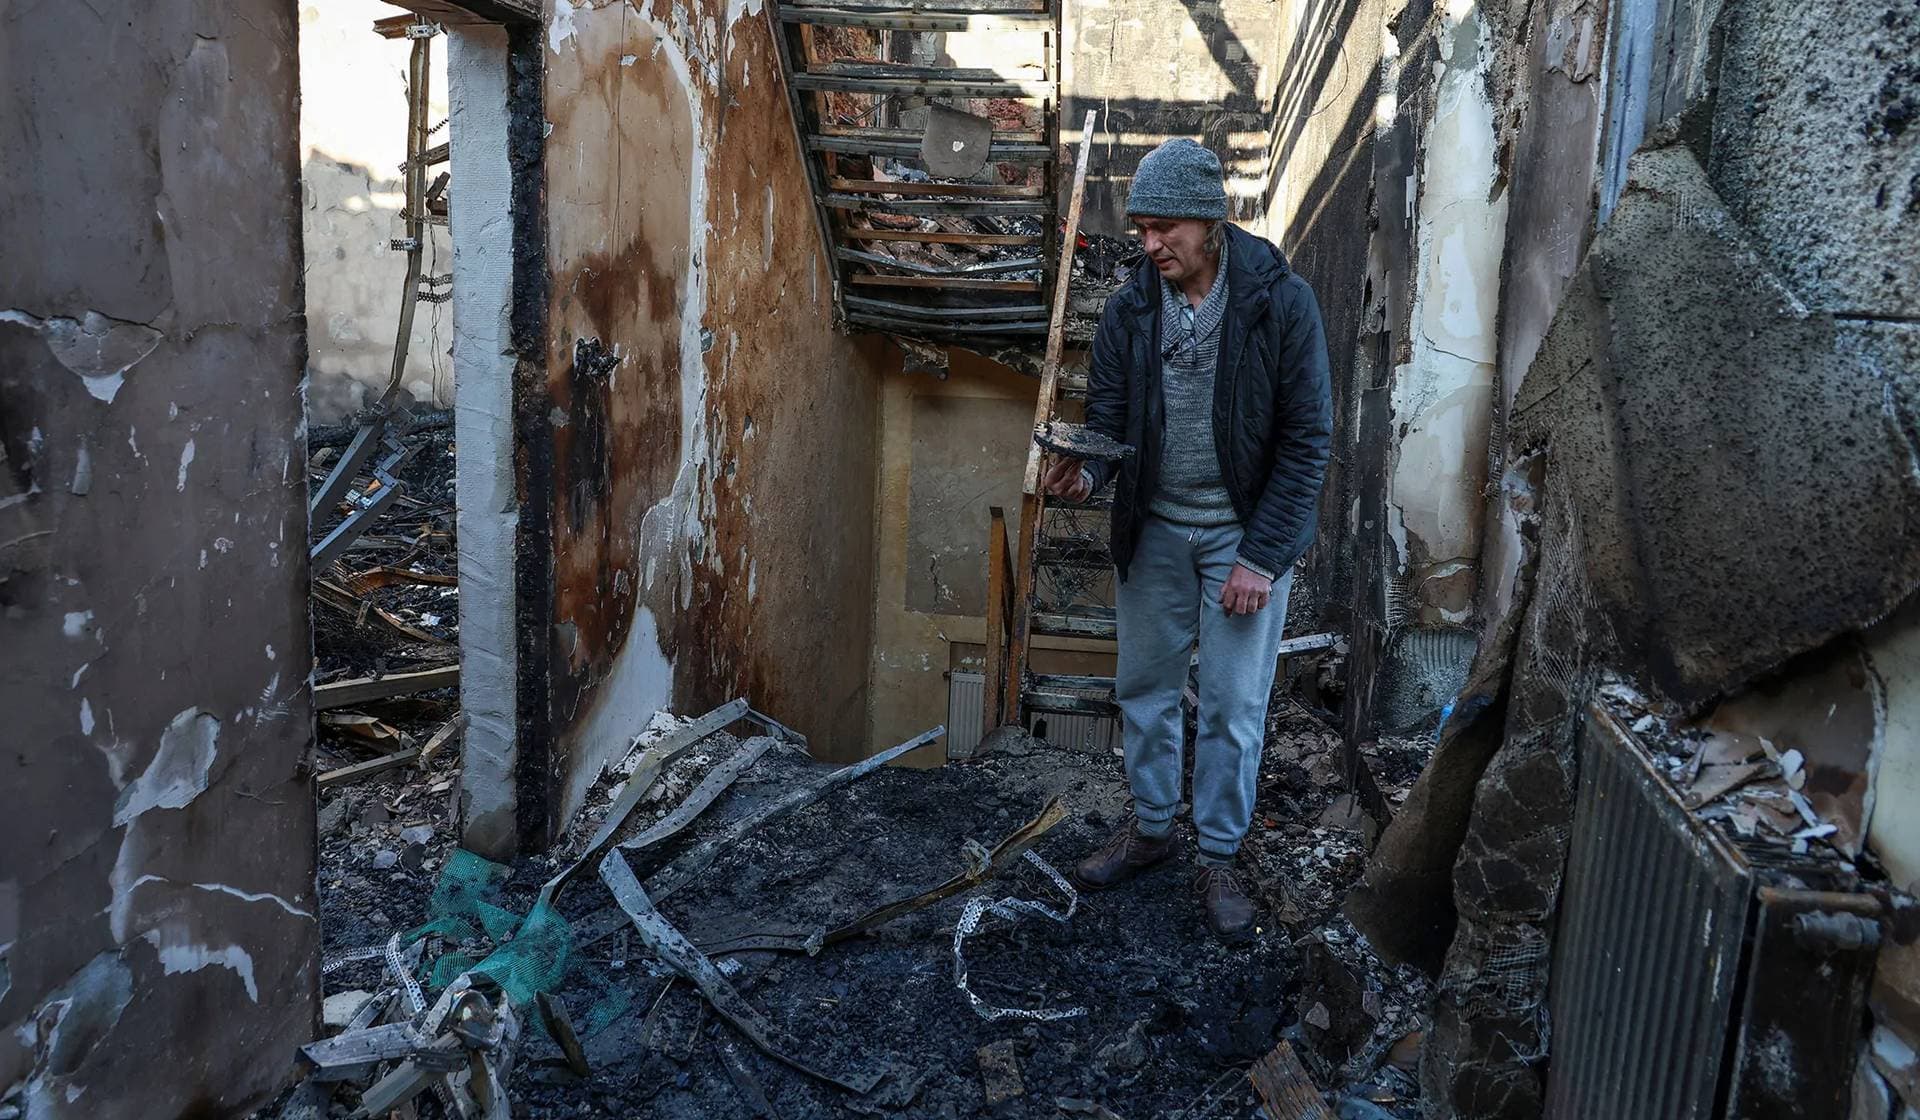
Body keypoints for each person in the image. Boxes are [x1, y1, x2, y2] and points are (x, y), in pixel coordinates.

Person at [1043, 138, 1332, 941]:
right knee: (1145, 691)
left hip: (1242, 535)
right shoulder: (1131, 309)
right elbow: (1107, 424)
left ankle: (1217, 855)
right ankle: (1150, 830)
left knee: (1235, 706)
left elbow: (1308, 441)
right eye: (1141, 229)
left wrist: (1262, 557)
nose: (1149, 245)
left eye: (1164, 227)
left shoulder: (1279, 300)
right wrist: (1087, 477)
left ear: (1210, 221)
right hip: (1158, 530)